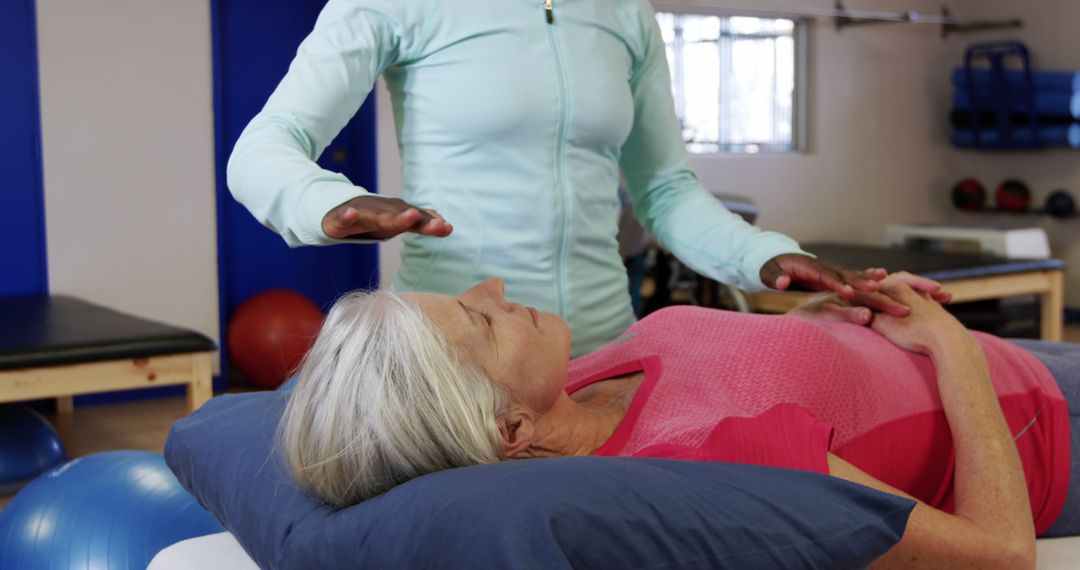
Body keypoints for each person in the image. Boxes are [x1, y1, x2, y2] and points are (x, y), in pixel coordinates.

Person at [226, 0, 941, 356]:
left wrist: (768, 255)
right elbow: (262, 149)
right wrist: (334, 202)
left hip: (607, 346)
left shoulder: (623, 11)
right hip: (454, 351)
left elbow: (664, 189)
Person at [282, 273, 1079, 568]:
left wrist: (817, 322)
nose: (494, 286)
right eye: (482, 322)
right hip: (1042, 419)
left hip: (988, 361)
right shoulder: (713, 460)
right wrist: (952, 347)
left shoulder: (578, 384)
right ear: (508, 432)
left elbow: (750, 373)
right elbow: (1002, 556)